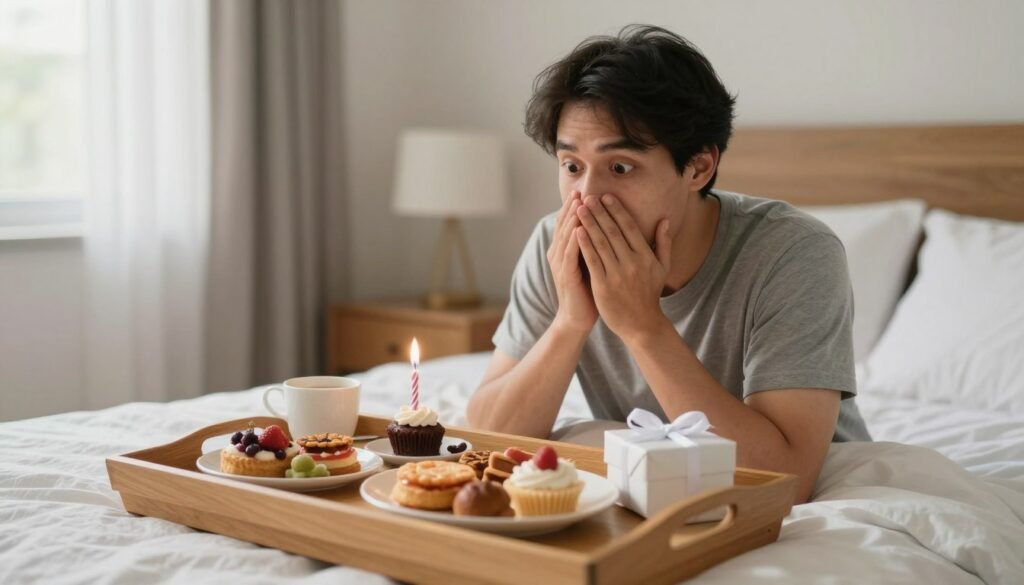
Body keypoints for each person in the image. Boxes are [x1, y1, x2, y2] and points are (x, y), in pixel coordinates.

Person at [465, 24, 871, 503]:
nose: (587, 197)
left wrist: (643, 326)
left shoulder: (794, 252)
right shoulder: (555, 243)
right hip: (645, 489)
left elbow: (785, 478)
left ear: (698, 167)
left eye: (620, 167)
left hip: (820, 498)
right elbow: (487, 436)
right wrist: (571, 321)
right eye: (572, 166)